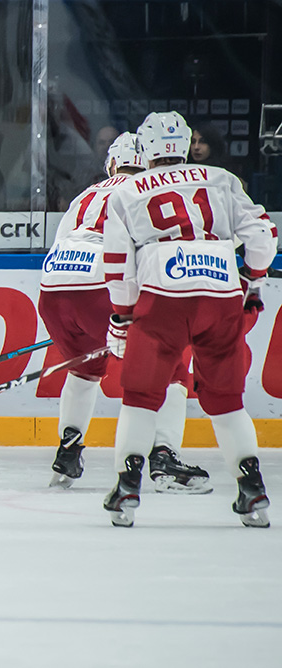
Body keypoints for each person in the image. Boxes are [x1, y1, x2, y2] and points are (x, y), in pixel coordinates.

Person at [102, 111, 277, 528]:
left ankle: (127, 485)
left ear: (144, 149)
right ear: (183, 145)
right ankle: (251, 486)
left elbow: (116, 267)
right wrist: (250, 279)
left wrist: (123, 318)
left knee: (141, 397)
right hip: (220, 294)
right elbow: (263, 237)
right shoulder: (221, 179)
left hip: (162, 296)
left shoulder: (125, 193)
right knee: (227, 400)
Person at [39, 131, 209, 493]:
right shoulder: (149, 192)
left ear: (112, 163)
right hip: (100, 287)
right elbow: (144, 256)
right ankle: (164, 458)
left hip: (54, 289)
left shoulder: (86, 194)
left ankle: (68, 451)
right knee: (173, 367)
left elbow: (60, 243)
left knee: (84, 371)